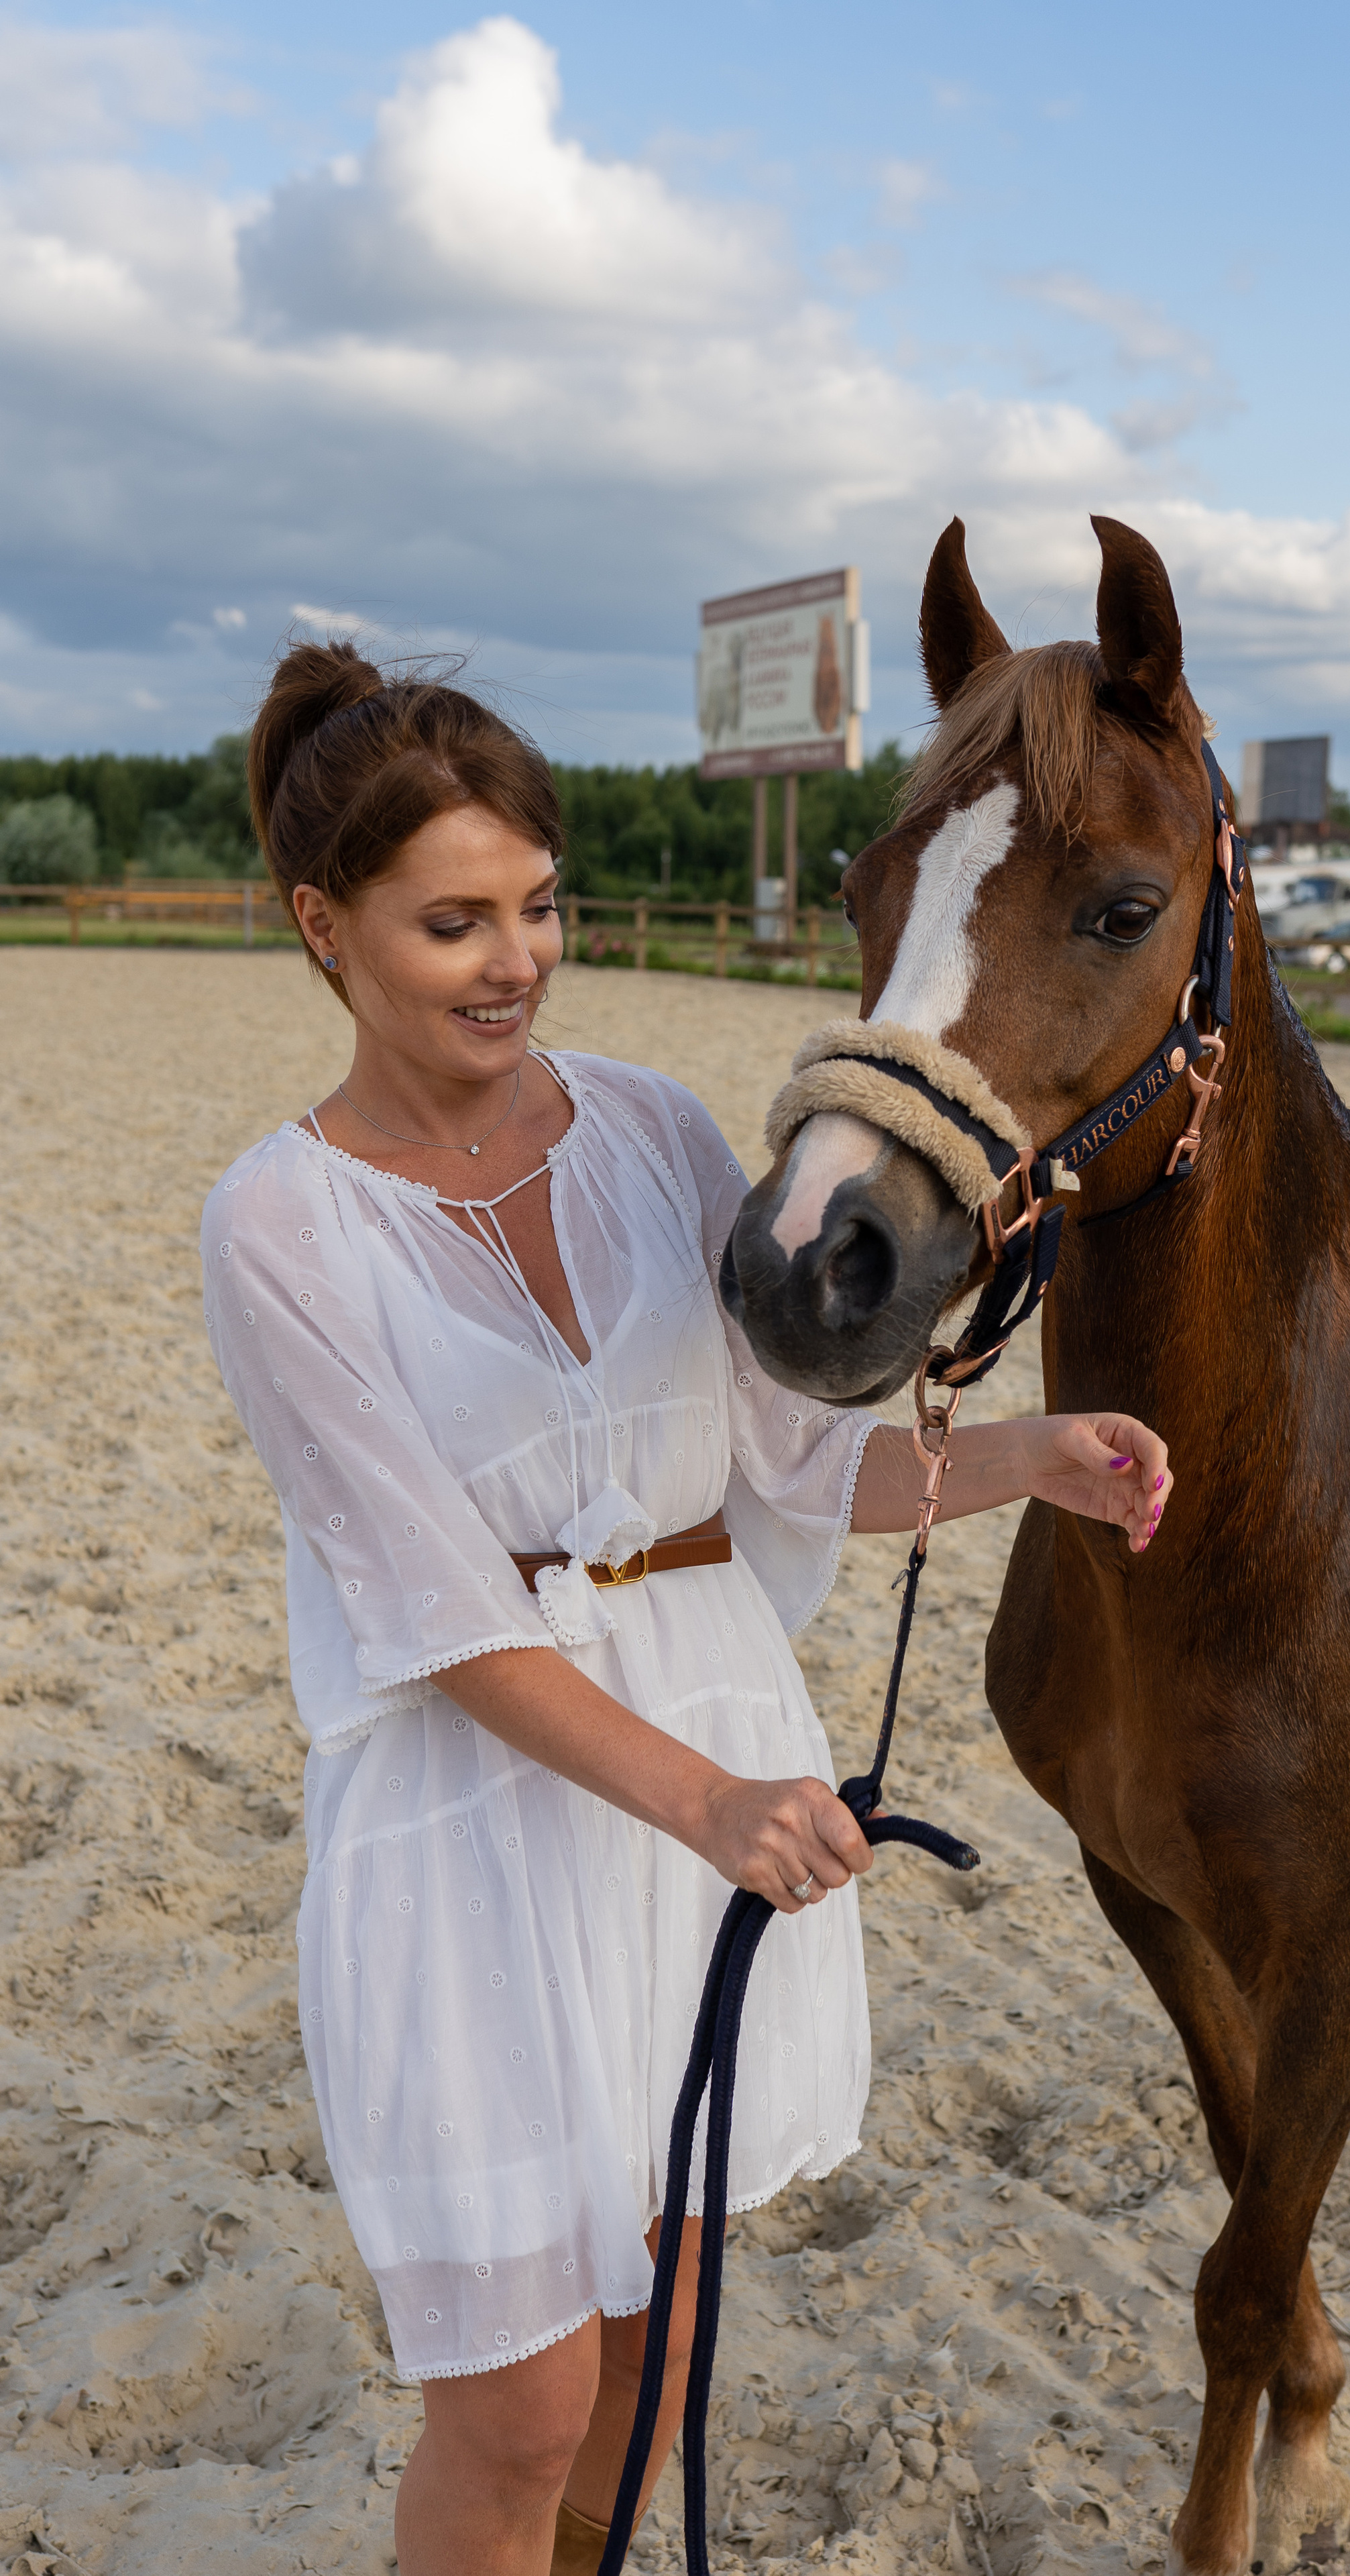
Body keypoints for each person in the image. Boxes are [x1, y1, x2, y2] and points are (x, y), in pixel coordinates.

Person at [202, 643, 1174, 2576]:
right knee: (516, 2408)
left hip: (708, 1765)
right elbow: (436, 1615)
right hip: (483, 1833)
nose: (516, 961)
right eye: (453, 923)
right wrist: (711, 1805)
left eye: (539, 906)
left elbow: (788, 1470)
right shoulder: (282, 1223)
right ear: (325, 928)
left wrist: (1034, 1457)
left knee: (660, 2343)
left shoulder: (653, 1130)